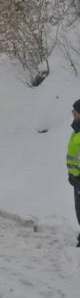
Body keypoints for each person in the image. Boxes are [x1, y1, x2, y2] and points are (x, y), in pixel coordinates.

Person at [67, 99, 80, 247]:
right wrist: (72, 174)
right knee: (78, 209)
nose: (73, 114)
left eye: (75, 111)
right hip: (75, 178)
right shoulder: (76, 130)